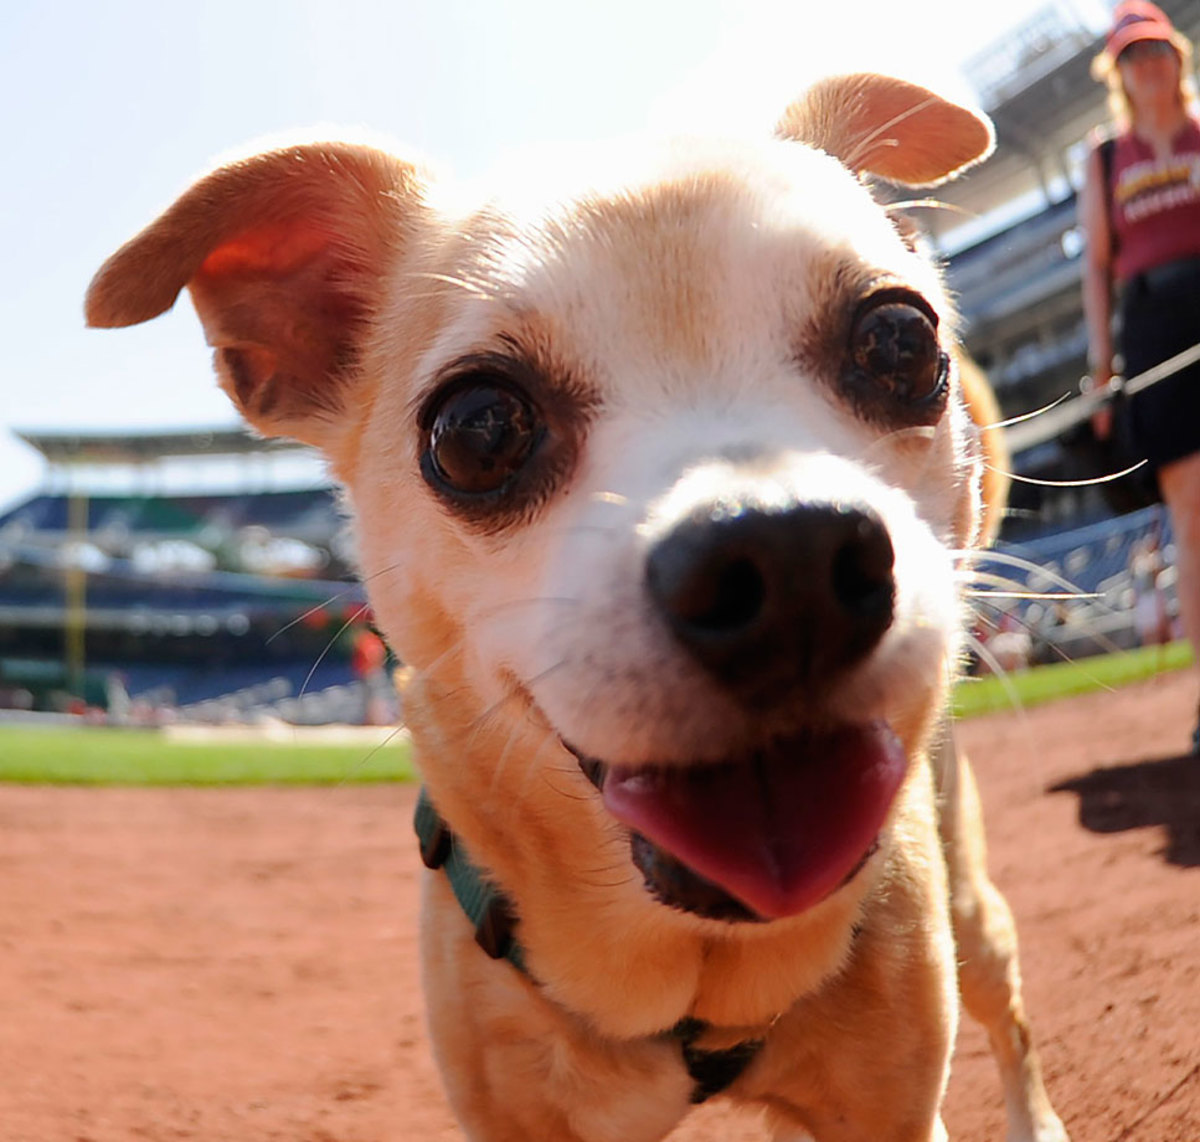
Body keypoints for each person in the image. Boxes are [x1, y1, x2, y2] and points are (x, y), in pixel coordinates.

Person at [1083, 0, 1200, 750]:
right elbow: (1098, 268)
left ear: (1177, 60)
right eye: (1132, 56)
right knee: (1192, 518)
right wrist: (1103, 365)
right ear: (1118, 73)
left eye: (1155, 51)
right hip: (1155, 329)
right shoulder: (1102, 156)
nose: (1147, 66)